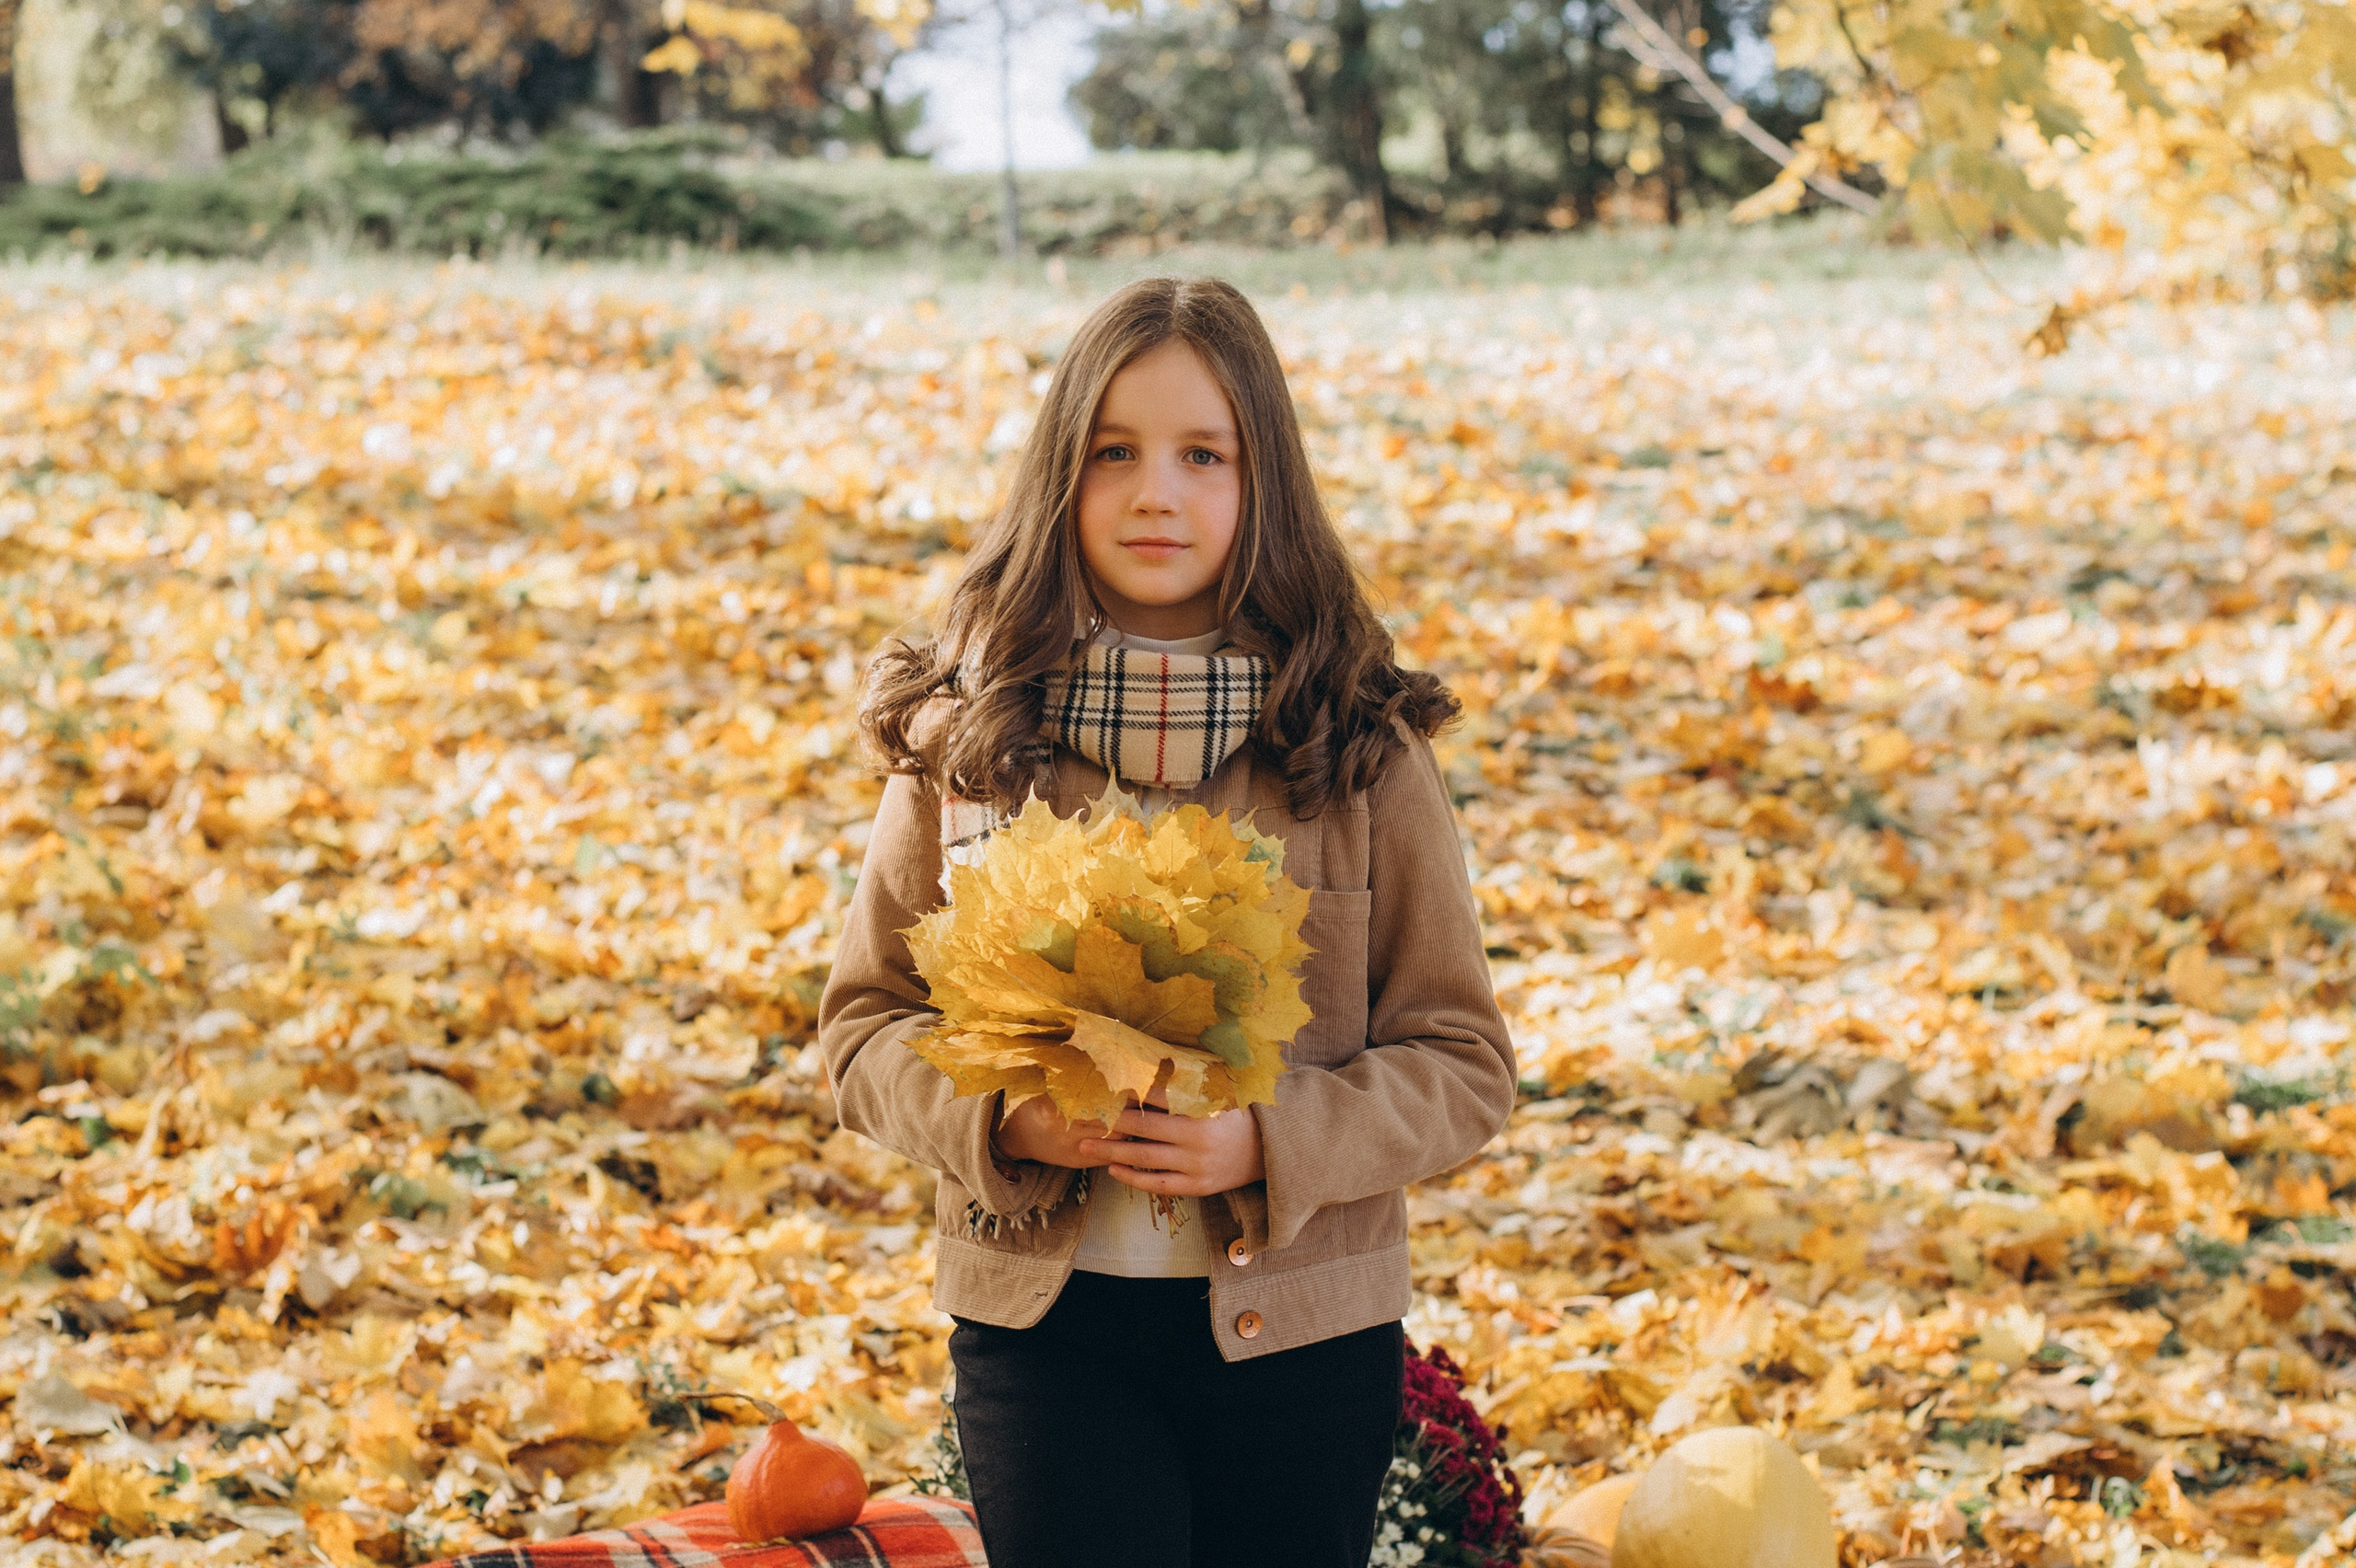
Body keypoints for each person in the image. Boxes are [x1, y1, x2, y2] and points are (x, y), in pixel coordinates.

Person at [818, 276, 1516, 1568]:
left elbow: (1465, 1065)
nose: (1158, 494)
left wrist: (1271, 1139)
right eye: (1115, 453)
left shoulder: (1357, 751)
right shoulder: (969, 742)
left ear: (1265, 483)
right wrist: (1001, 1120)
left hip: (1305, 1339)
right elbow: (862, 1030)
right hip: (1047, 1340)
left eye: (1206, 455)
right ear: (1060, 476)